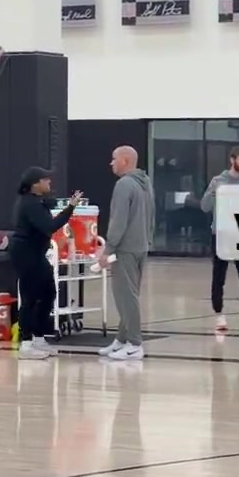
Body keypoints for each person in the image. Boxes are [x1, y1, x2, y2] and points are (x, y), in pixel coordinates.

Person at [10, 167, 81, 360]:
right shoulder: (29, 204)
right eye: (46, 180)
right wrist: (70, 208)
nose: (49, 182)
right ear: (35, 184)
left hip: (37, 254)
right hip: (26, 254)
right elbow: (50, 226)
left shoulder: (36, 201)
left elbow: (48, 206)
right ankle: (26, 343)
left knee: (49, 293)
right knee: (30, 297)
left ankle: (39, 337)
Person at [97, 146, 154, 360]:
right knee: (130, 295)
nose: (111, 163)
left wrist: (108, 249)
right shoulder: (145, 182)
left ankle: (135, 343)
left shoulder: (124, 184)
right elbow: (152, 214)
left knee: (125, 297)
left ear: (125, 160)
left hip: (125, 249)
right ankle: (121, 340)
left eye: (114, 159)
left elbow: (118, 220)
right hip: (141, 246)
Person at [200, 146, 239, 333]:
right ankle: (219, 315)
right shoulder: (218, 181)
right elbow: (204, 206)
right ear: (232, 160)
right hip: (221, 234)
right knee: (219, 276)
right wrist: (213, 193)